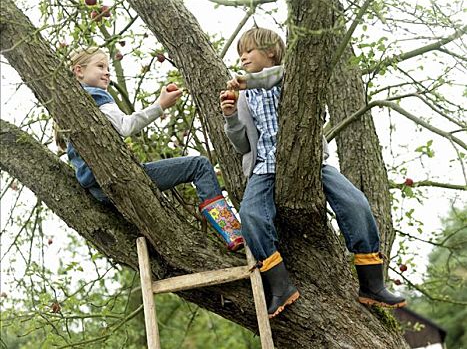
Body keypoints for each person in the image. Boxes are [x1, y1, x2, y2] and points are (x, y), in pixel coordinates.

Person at [219, 28, 406, 318]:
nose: (242, 57)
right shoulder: (244, 96)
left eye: (249, 51)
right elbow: (242, 144)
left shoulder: (287, 77)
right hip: (264, 167)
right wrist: (231, 117)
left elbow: (277, 75)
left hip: (308, 162)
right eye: (240, 53)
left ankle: (372, 284)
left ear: (271, 52)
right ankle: (280, 286)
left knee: (355, 203)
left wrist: (250, 81)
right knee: (252, 216)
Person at [58, 47, 243, 251]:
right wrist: (160, 105)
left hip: (98, 188)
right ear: (79, 71)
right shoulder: (98, 96)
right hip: (119, 177)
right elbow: (126, 126)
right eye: (100, 66)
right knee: (199, 165)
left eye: (109, 67)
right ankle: (232, 231)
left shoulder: (73, 106)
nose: (107, 72)